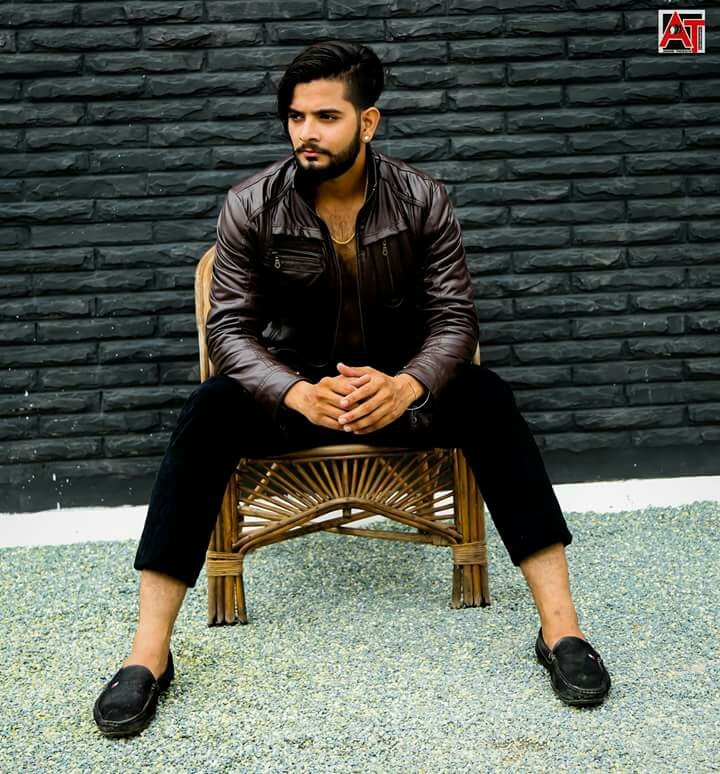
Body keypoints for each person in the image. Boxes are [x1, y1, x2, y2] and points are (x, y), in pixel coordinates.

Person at [93, 39, 611, 738]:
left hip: (397, 390)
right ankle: (148, 654)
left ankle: (562, 631)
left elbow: (455, 319)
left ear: (368, 122)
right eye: (296, 117)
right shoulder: (251, 204)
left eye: (326, 117)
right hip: (297, 394)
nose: (306, 132)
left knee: (489, 398)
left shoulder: (422, 199)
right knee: (207, 411)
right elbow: (229, 330)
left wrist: (409, 385)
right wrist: (293, 391)